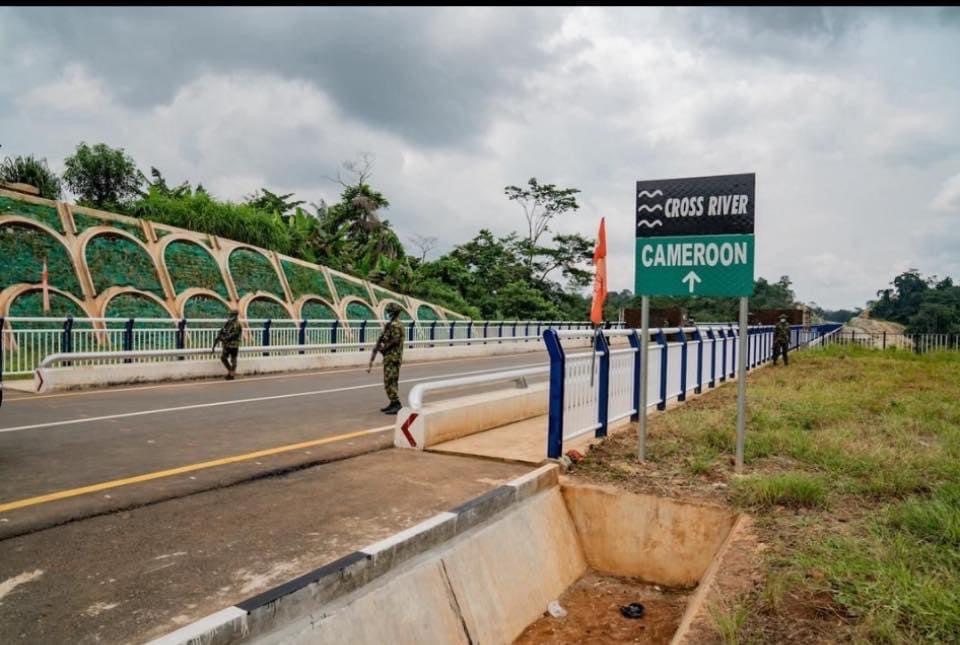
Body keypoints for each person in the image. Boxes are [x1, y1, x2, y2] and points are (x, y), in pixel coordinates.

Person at [368, 303, 405, 414]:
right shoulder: (391, 325)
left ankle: (396, 404)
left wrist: (384, 349)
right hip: (390, 357)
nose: (387, 313)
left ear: (393, 313)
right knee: (389, 380)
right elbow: (385, 338)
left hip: (393, 357)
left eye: (389, 312)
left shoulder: (396, 325)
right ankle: (393, 403)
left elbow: (395, 339)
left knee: (390, 380)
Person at [214, 309, 242, 380]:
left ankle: (231, 374)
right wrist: (220, 336)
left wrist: (224, 338)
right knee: (223, 358)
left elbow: (233, 335)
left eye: (232, 315)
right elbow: (223, 330)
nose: (230, 316)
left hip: (233, 345)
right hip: (227, 345)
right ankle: (231, 371)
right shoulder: (228, 323)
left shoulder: (237, 324)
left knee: (233, 359)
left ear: (235, 316)